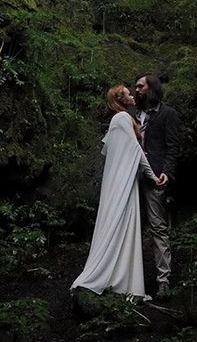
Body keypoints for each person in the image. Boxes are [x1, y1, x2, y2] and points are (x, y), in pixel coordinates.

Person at [71, 85, 160, 298]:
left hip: (123, 180)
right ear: (121, 99)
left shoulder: (119, 121)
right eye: (129, 93)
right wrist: (153, 176)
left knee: (124, 223)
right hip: (123, 181)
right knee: (120, 221)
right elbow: (136, 151)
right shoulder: (121, 118)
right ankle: (106, 277)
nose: (132, 95)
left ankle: (123, 283)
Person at [133, 74, 180, 300]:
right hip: (131, 178)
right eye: (135, 86)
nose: (136, 89)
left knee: (158, 227)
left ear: (151, 88)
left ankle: (163, 281)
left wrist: (166, 173)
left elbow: (173, 147)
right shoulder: (132, 115)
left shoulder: (168, 114)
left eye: (140, 86)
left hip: (155, 178)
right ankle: (127, 280)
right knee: (129, 225)